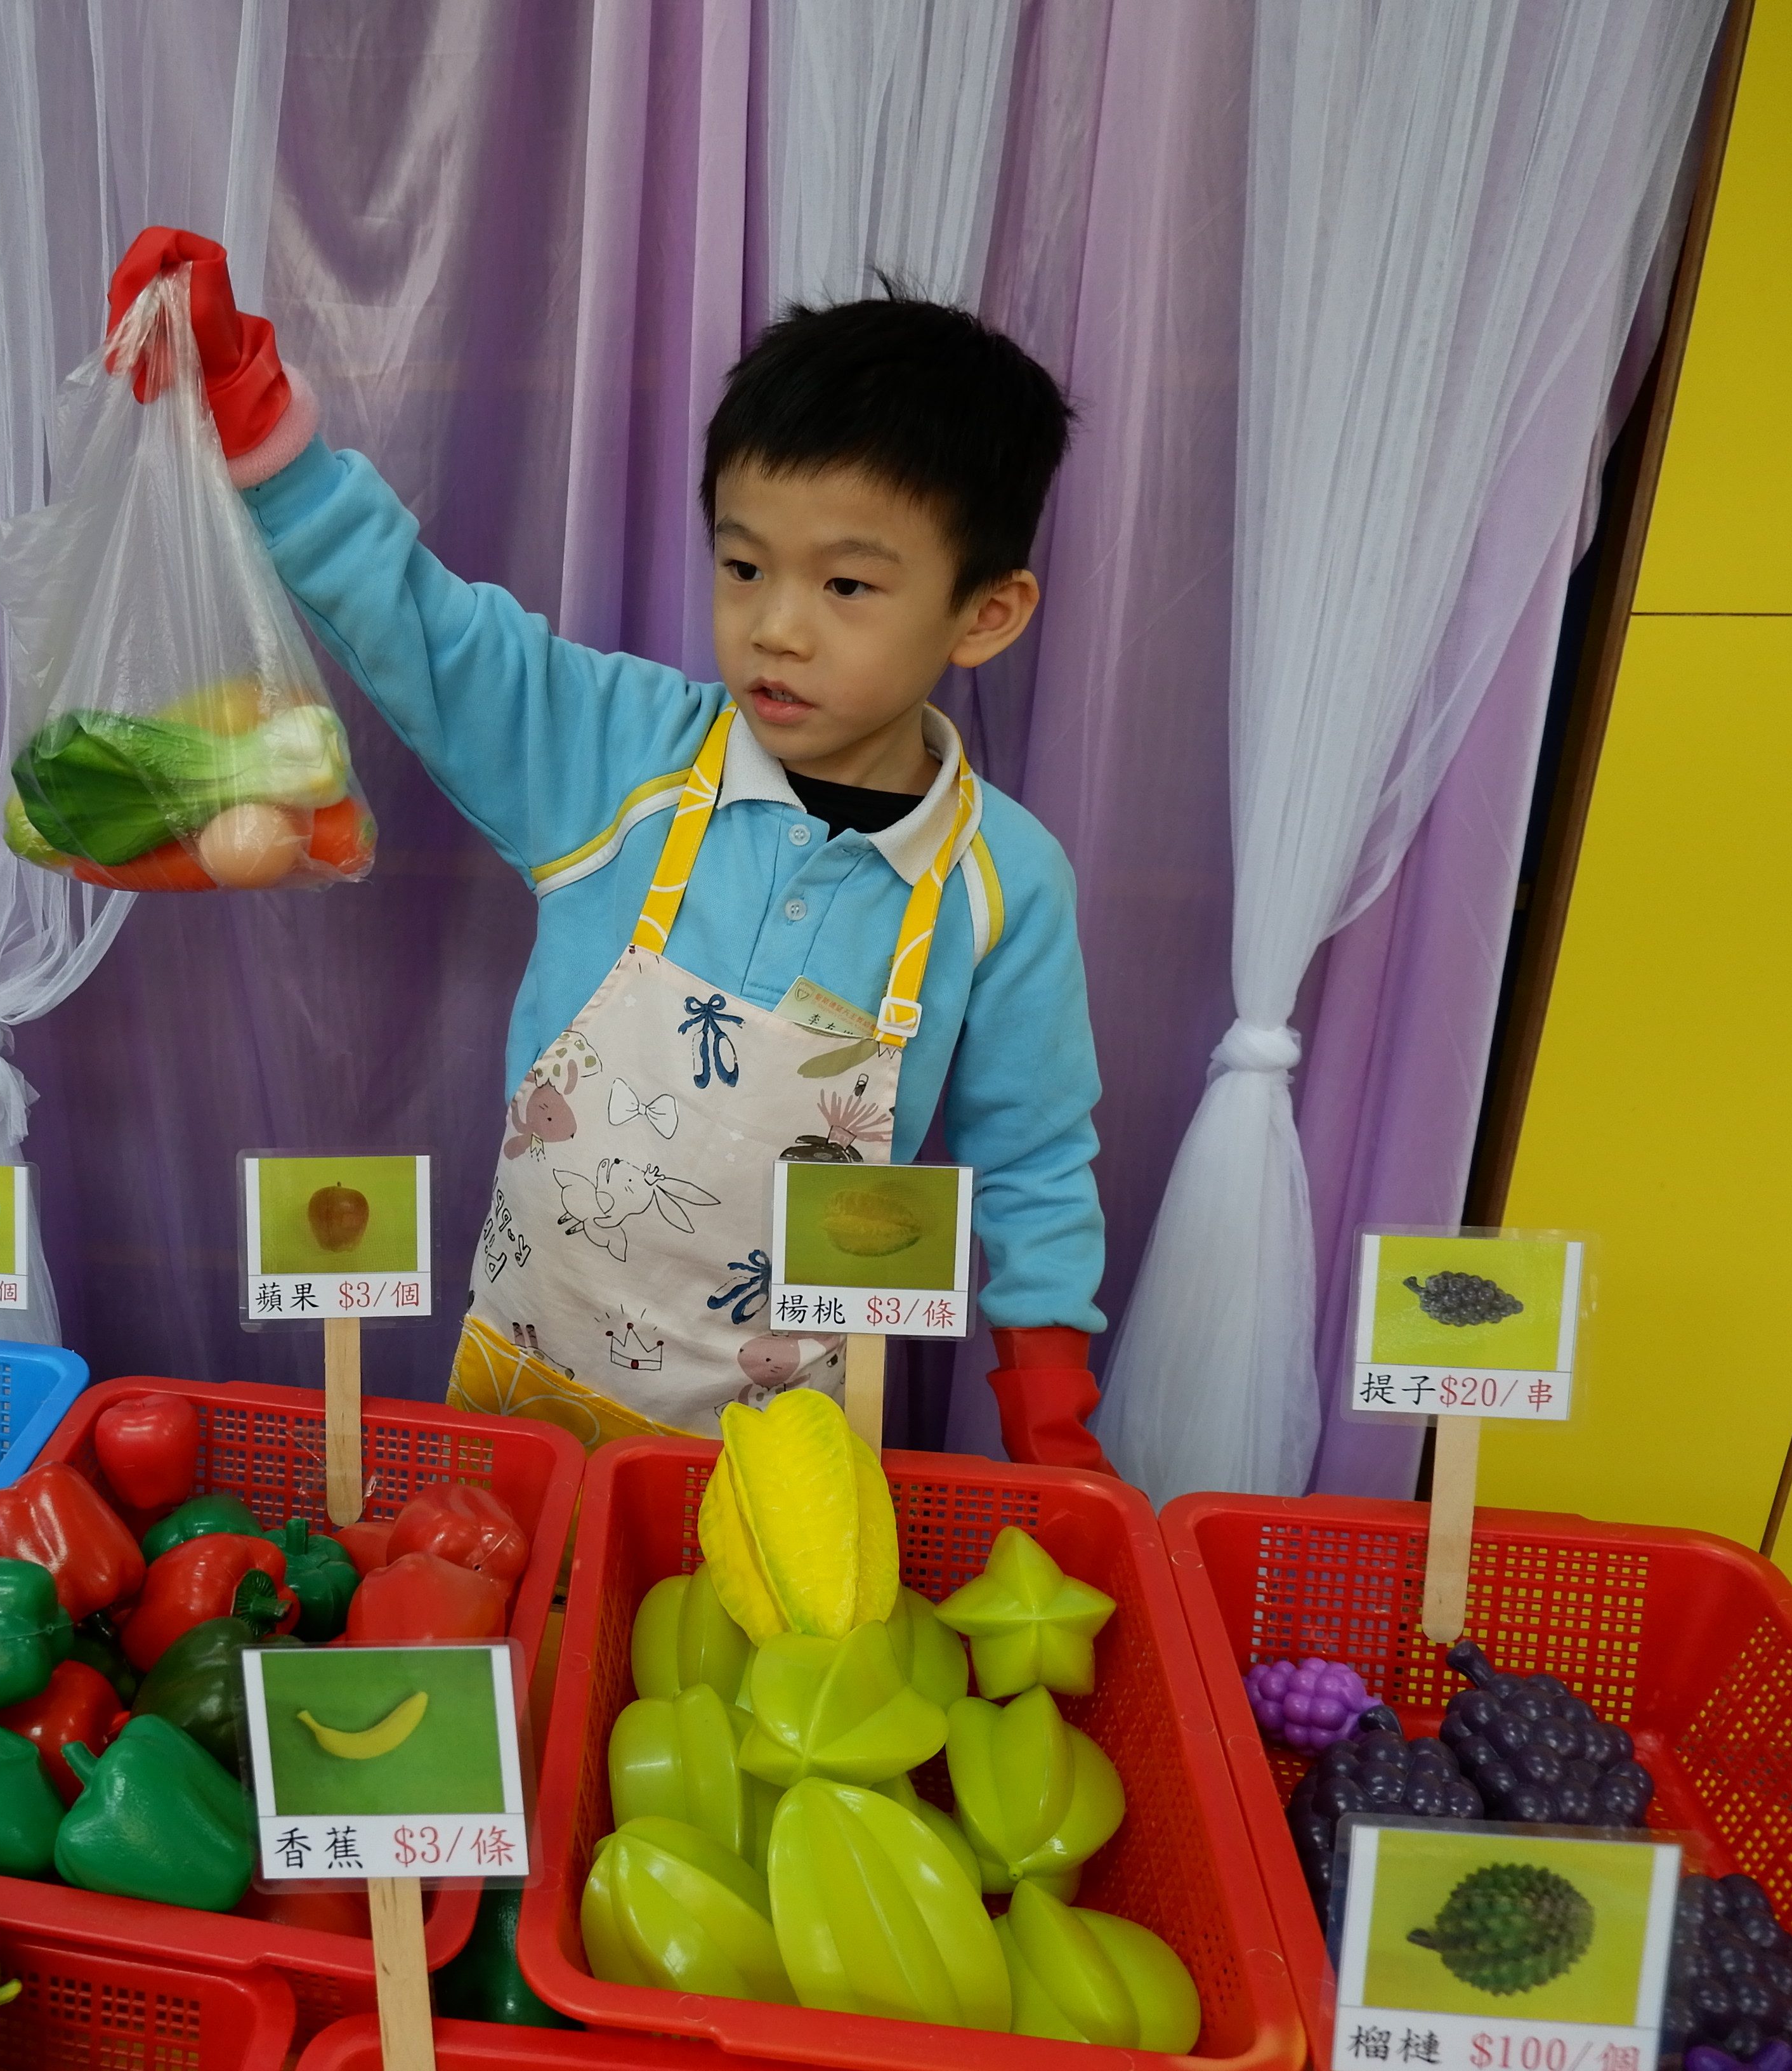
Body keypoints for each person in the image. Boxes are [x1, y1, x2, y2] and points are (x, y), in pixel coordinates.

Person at [103, 228, 1111, 1470]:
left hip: (782, 1464)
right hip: (523, 1413)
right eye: (743, 566)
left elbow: (1034, 1164)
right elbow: (418, 618)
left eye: (846, 587)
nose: (776, 628)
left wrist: (1052, 1420)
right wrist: (251, 411)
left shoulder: (1007, 883)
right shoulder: (615, 752)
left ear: (986, 612)